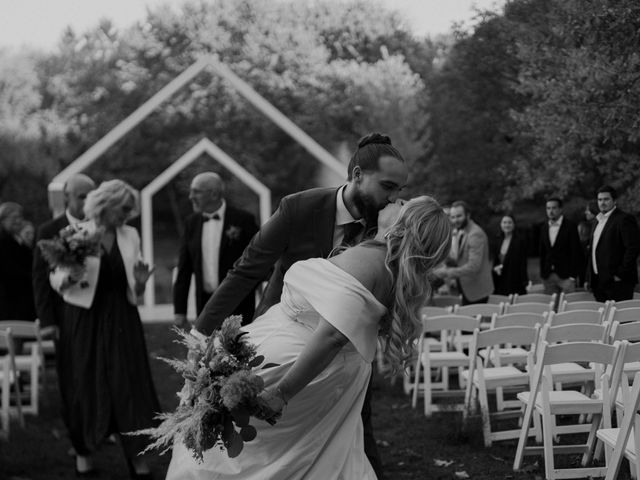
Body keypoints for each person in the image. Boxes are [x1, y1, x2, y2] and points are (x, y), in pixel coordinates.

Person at [165, 195, 452, 480]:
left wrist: (281, 394)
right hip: (308, 365)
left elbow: (332, 336)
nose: (393, 200)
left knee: (261, 462)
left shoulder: (374, 264)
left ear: (401, 226)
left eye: (402, 203)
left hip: (301, 373)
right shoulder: (383, 260)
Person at [193, 133, 408, 478]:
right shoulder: (298, 208)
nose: (394, 199)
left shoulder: (389, 227)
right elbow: (246, 272)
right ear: (356, 175)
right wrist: (200, 333)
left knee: (355, 437)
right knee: (269, 444)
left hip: (346, 355)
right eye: (388, 186)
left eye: (399, 189)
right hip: (283, 344)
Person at [49, 179, 159, 478]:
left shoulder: (130, 234)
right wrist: (71, 275)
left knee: (129, 386)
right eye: (124, 209)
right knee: (85, 383)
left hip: (122, 319)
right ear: (106, 204)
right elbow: (57, 282)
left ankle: (136, 457)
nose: (128, 215)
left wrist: (138, 283)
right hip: (85, 319)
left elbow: (133, 290)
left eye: (130, 210)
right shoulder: (75, 234)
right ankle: (83, 453)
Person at [173, 172, 258, 330]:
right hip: (205, 306)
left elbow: (258, 261)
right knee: (207, 352)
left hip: (238, 305)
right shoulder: (191, 223)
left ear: (213, 193)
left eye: (196, 191)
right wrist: (180, 311)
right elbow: (184, 269)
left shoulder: (243, 220)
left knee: (238, 352)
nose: (191, 196)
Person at [33, 173, 96, 339]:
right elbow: (40, 278)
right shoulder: (49, 230)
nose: (87, 202)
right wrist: (48, 321)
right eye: (82, 197)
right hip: (63, 313)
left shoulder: (101, 228)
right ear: (67, 197)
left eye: (91, 196)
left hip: (98, 311)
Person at [434, 200, 493, 304]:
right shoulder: (461, 230)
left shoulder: (475, 234)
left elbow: (473, 267)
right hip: (465, 287)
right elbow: (458, 258)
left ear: (468, 215)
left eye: (459, 216)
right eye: (453, 217)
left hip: (477, 291)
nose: (455, 220)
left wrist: (446, 272)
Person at [588, 185, 640, 302]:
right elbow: (593, 251)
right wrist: (589, 277)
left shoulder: (624, 219)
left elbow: (633, 248)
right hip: (598, 282)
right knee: (603, 319)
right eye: (600, 200)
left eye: (606, 199)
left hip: (618, 282)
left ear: (614, 201)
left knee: (621, 319)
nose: (602, 203)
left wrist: (620, 274)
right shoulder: (597, 221)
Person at [538, 197, 584, 295]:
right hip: (548, 277)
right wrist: (543, 274)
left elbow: (576, 252)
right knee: (551, 308)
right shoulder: (543, 227)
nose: (551, 211)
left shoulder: (571, 226)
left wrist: (572, 277)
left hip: (566, 277)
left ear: (560, 209)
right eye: (548, 208)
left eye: (554, 208)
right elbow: (542, 252)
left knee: (568, 308)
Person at [0, 202, 36, 320]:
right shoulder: (4, 242)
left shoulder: (18, 240)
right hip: (13, 304)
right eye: (14, 218)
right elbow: (11, 271)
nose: (18, 221)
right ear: (3, 220)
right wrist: (35, 277)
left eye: (20, 217)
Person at [491, 214, 528, 296]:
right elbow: (495, 260)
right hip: (500, 279)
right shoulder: (497, 239)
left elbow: (523, 262)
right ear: (501, 224)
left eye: (509, 222)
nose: (507, 225)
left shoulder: (520, 241)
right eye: (504, 222)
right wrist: (495, 268)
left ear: (514, 225)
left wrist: (525, 281)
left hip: (514, 279)